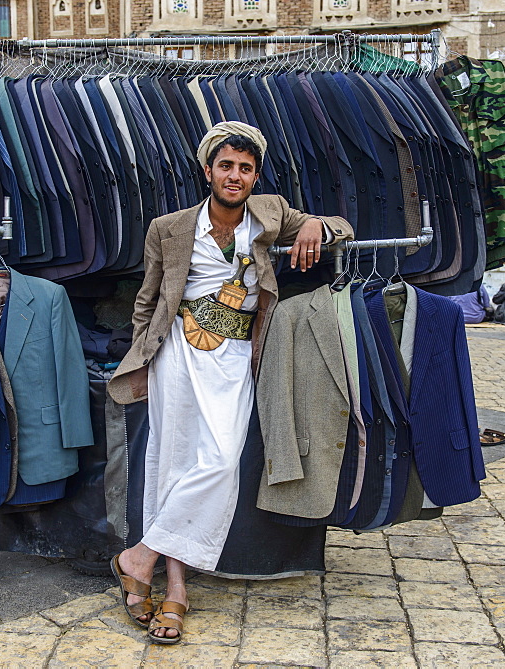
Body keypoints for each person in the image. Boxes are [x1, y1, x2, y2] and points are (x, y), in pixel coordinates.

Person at [107, 122, 352, 644]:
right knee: (171, 464)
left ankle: (138, 557)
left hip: (238, 355)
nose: (235, 176)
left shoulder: (270, 214)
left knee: (219, 461)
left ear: (255, 175)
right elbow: (147, 302)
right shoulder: (168, 227)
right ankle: (174, 590)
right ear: (208, 171)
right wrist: (144, 360)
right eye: (226, 166)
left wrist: (315, 228)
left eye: (245, 168)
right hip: (176, 351)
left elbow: (344, 225)